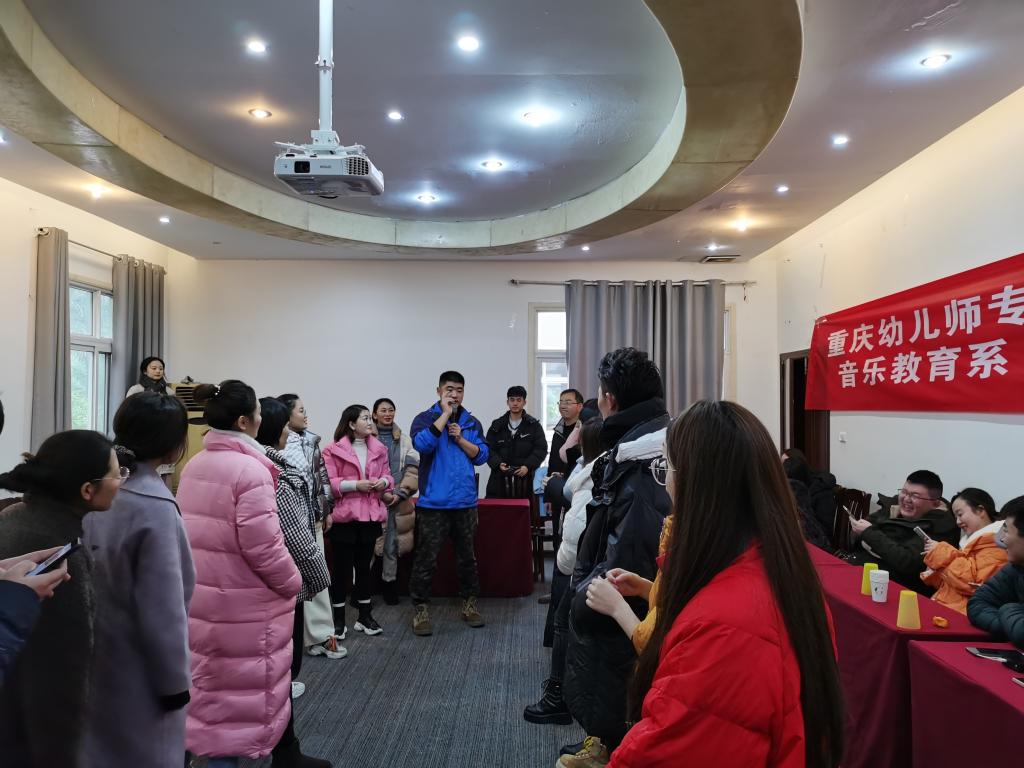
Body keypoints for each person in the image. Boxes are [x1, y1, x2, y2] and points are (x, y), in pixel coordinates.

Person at [583, 401, 844, 768]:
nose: (665, 484)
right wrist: (647, 588)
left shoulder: (723, 627)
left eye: (666, 467)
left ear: (700, 487)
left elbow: (663, 752)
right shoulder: (775, 568)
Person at [175, 381, 304, 768]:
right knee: (234, 703)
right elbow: (263, 547)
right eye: (259, 413)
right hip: (244, 607)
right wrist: (293, 582)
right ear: (245, 422)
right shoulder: (251, 470)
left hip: (204, 598)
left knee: (210, 694)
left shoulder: (196, 463)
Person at [560, 347, 672, 766]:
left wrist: (585, 593)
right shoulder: (649, 440)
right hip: (628, 589)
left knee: (617, 684)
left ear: (608, 398)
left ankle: (609, 748)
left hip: (621, 598)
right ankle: (606, 743)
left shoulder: (640, 458)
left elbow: (632, 550)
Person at [80, 391, 195, 768]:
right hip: (143, 668)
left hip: (94, 655)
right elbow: (163, 610)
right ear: (173, 445)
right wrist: (175, 684)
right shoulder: (155, 506)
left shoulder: (97, 490)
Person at [0, 430, 124, 767]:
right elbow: (63, 673)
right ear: (87, 490)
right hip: (32, 735)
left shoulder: (12, 517)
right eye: (117, 474)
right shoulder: (64, 558)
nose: (121, 482)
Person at [255, 397, 332, 766]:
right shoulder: (276, 473)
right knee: (280, 668)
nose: (291, 429)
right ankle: (284, 752)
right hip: (278, 586)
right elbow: (297, 539)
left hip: (235, 591)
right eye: (286, 423)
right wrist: (317, 581)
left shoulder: (202, 465)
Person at [524, 417, 604, 726]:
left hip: (582, 573)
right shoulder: (601, 470)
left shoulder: (587, 479)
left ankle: (558, 697)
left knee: (565, 625)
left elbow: (571, 544)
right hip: (595, 570)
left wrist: (557, 487)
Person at [409, 371, 490, 636]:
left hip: (465, 502)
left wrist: (460, 438)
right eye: (449, 390)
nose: (455, 395)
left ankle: (469, 604)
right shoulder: (425, 419)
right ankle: (420, 608)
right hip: (434, 503)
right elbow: (422, 445)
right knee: (426, 559)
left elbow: (482, 456)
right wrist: (444, 416)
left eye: (459, 390)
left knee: (467, 558)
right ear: (439, 391)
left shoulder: (471, 422)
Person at [278, 394, 346, 661]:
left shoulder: (311, 440)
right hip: (290, 519)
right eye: (300, 410)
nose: (305, 415)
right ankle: (295, 640)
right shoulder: (276, 445)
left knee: (317, 575)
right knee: (291, 579)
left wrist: (326, 509)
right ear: (286, 416)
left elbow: (321, 477)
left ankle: (320, 635)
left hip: (313, 516)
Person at [322, 404, 393, 637]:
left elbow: (388, 475)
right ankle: (338, 620)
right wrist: (355, 485)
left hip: (370, 517)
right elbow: (329, 483)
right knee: (341, 571)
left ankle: (365, 616)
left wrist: (383, 482)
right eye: (365, 418)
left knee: (364, 569)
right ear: (352, 424)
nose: (370, 422)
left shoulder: (379, 449)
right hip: (344, 518)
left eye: (369, 418)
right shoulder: (332, 450)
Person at [847, 470, 958, 595]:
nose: (906, 499)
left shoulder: (940, 527)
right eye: (904, 492)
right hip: (859, 568)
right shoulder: (893, 507)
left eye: (915, 496)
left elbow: (907, 562)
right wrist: (870, 538)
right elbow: (860, 531)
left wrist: (869, 534)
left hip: (896, 590)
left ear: (935, 503)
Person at [920, 487, 1006, 614]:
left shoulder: (998, 546)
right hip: (946, 607)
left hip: (962, 615)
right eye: (955, 517)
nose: (958, 522)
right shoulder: (969, 542)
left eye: (960, 514)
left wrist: (941, 553)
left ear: (980, 510)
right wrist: (935, 568)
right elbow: (953, 586)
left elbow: (971, 585)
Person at [371, 398, 419, 605]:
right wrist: (381, 493)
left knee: (391, 544)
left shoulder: (405, 440)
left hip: (397, 500)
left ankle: (389, 585)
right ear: (374, 415)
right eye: (383, 410)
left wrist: (400, 493)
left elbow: (412, 469)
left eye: (391, 410)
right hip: (371, 499)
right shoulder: (365, 438)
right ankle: (361, 589)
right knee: (369, 544)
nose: (388, 414)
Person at [968, 496, 1024, 649]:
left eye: (1007, 531)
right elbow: (977, 604)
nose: (1002, 540)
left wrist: (1008, 608)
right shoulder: (1016, 568)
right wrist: (1010, 628)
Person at [484, 386, 548, 499]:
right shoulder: (497, 425)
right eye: (512, 400)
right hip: (499, 480)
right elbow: (488, 448)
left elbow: (541, 449)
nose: (515, 403)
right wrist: (498, 464)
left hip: (525, 480)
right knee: (497, 509)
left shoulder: (533, 425)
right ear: (507, 402)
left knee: (524, 509)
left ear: (524, 402)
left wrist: (527, 466)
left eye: (519, 400)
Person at [781, 447, 837, 536]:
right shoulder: (794, 486)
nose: (782, 467)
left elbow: (824, 531)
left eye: (786, 462)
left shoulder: (822, 492)